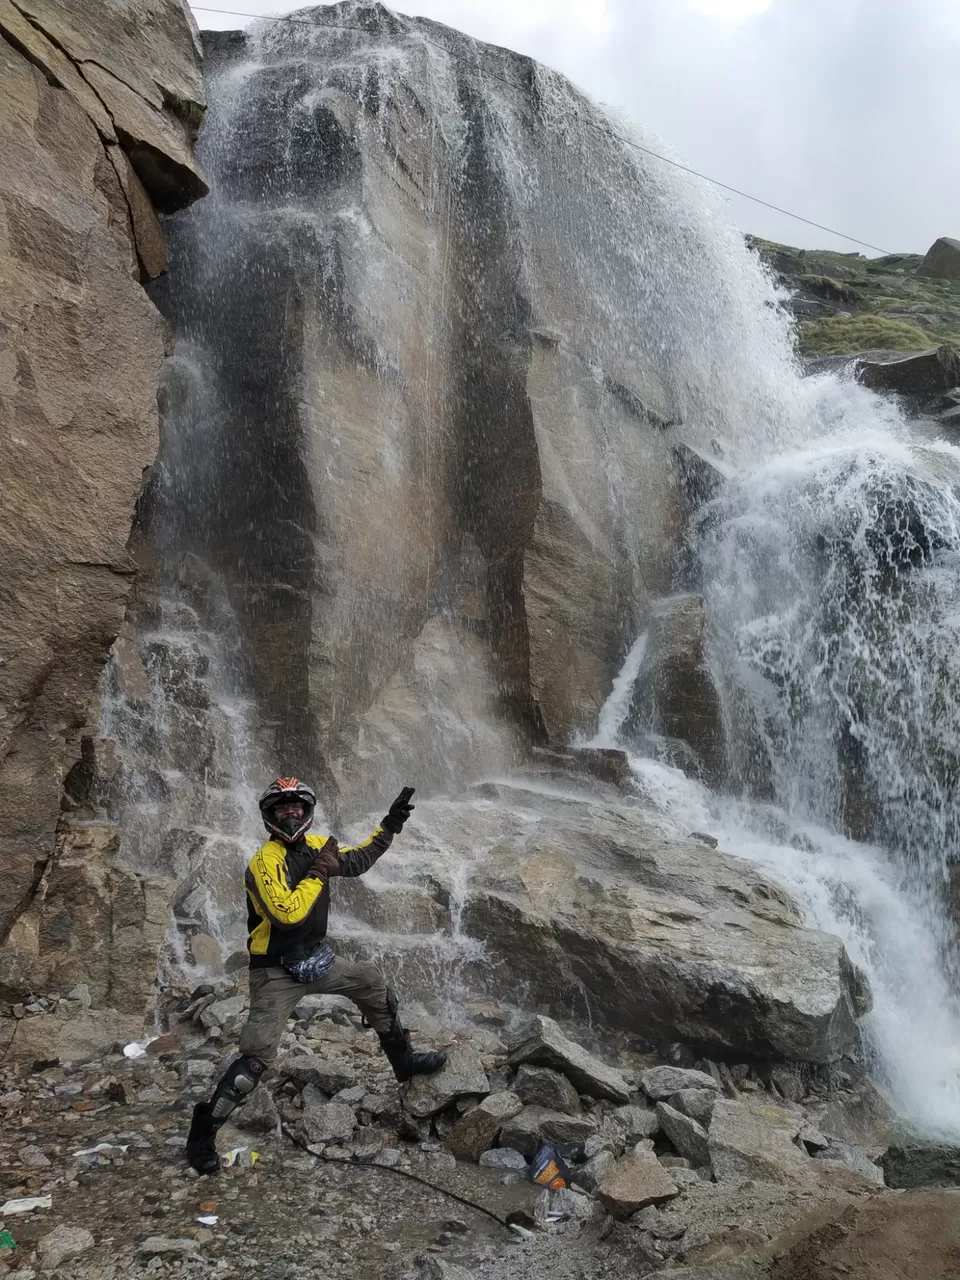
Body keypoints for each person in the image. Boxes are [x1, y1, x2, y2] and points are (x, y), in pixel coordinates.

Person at [186, 777, 446, 1175]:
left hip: (314, 961)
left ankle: (404, 1062)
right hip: (274, 971)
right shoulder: (264, 862)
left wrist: (390, 825)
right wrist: (318, 874)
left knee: (372, 983)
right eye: (281, 808)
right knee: (255, 1061)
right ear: (270, 816)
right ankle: (203, 1132)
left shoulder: (315, 848)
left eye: (297, 807)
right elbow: (287, 914)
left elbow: (358, 859)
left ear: (307, 813)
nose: (290, 813)